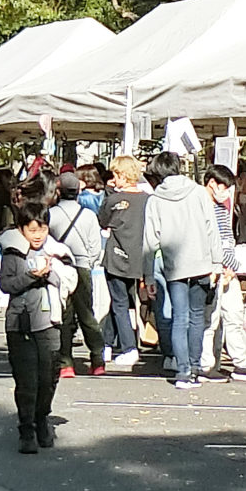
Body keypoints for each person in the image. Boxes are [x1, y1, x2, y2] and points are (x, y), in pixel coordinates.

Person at [0, 179, 77, 454]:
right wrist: (31, 276)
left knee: (48, 377)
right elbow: (6, 284)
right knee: (26, 380)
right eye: (31, 229)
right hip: (20, 322)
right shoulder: (13, 252)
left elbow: (71, 279)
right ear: (21, 229)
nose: (37, 235)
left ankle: (42, 417)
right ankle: (26, 429)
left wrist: (52, 271)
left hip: (50, 321)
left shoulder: (57, 252)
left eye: (41, 228)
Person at [144, 157, 221, 390]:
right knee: (197, 317)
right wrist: (216, 263)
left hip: (174, 267)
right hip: (201, 264)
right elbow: (212, 229)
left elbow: (149, 240)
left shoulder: (155, 199)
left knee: (180, 318)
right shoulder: (198, 192)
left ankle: (183, 371)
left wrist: (148, 275)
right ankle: (196, 368)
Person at [200, 164, 246, 379]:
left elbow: (227, 239)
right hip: (211, 270)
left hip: (226, 268)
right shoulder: (201, 207)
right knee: (211, 320)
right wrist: (227, 265)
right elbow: (213, 241)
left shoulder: (222, 208)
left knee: (233, 316)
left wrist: (231, 266)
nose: (226, 192)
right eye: (223, 186)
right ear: (212, 183)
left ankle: (240, 363)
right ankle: (206, 365)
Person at [50, 171, 106, 378]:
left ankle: (65, 363)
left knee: (63, 315)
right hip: (82, 267)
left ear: (58, 191)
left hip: (59, 268)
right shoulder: (89, 215)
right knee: (87, 315)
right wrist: (88, 263)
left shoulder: (52, 214)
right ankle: (97, 359)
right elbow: (95, 246)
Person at [96, 157, 150, 368]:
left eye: (116, 175)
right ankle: (107, 343)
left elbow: (103, 220)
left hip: (116, 256)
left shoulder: (113, 200)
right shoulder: (148, 200)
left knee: (119, 302)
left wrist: (110, 194)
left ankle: (129, 347)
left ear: (123, 175)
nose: (113, 179)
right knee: (121, 300)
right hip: (139, 257)